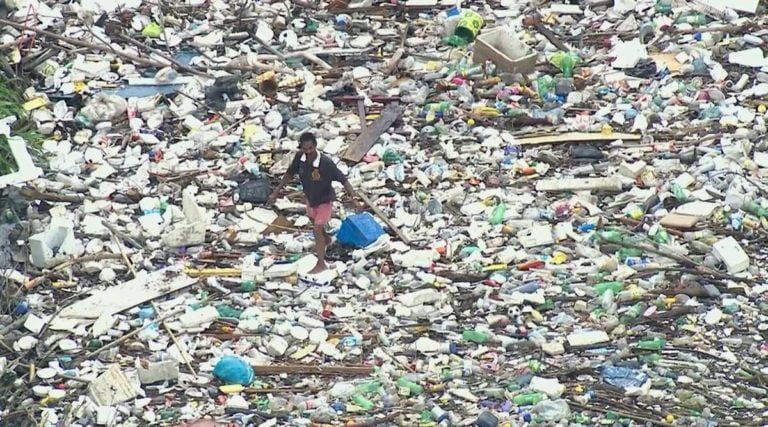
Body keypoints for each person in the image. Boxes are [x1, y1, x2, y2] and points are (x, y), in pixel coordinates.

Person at [267, 132, 363, 274]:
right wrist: (276, 192)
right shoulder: (300, 158)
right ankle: (327, 240)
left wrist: (354, 199)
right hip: (311, 198)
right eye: (305, 149)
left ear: (315, 146)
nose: (308, 152)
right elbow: (289, 173)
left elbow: (343, 180)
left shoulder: (325, 163)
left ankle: (321, 263)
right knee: (313, 221)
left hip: (324, 200)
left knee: (317, 230)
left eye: (310, 148)